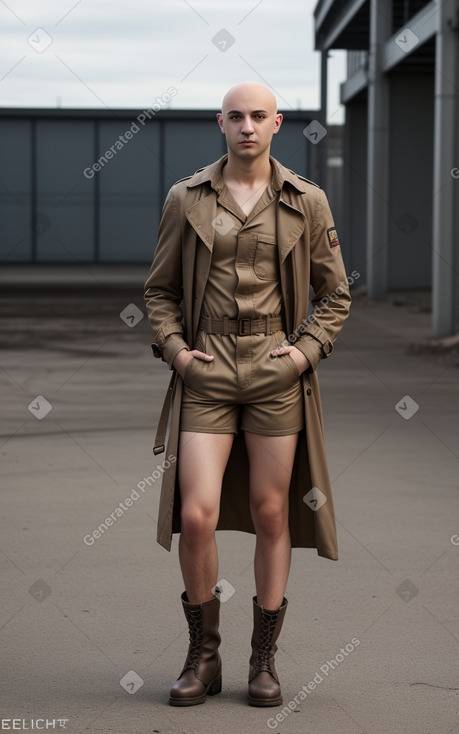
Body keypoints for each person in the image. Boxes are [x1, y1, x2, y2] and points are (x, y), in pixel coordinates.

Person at [144, 81, 351, 708]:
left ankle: (264, 662)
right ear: (220, 123)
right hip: (206, 368)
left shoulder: (305, 201)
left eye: (259, 116)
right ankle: (203, 656)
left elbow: (336, 295)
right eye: (236, 117)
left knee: (271, 513)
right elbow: (159, 293)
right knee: (197, 513)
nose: (247, 127)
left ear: (278, 123)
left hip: (273, 370)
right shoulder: (186, 197)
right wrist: (177, 351)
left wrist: (303, 354)